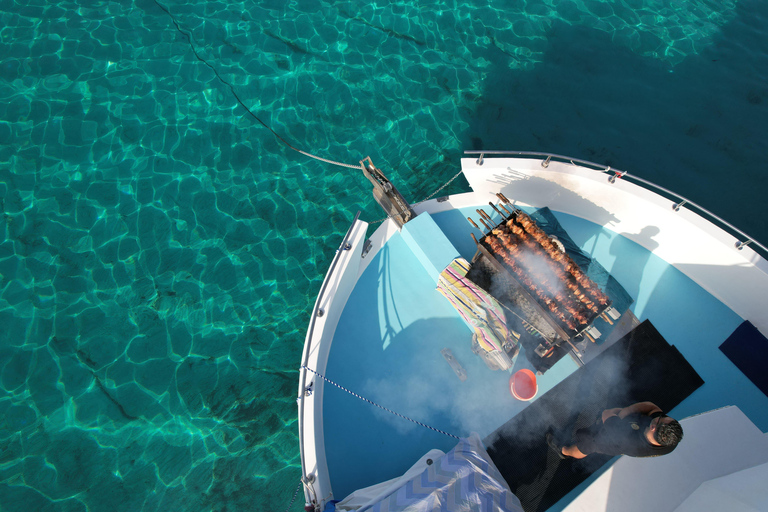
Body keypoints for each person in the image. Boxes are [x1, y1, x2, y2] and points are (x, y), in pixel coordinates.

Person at [546, 401, 684, 459]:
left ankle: (563, 451)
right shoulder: (670, 441)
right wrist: (625, 412)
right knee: (611, 422)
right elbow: (651, 406)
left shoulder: (625, 438)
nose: (661, 415)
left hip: (612, 442)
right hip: (624, 428)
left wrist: (617, 416)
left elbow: (606, 413)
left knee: (588, 445)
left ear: (653, 427)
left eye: (661, 418)